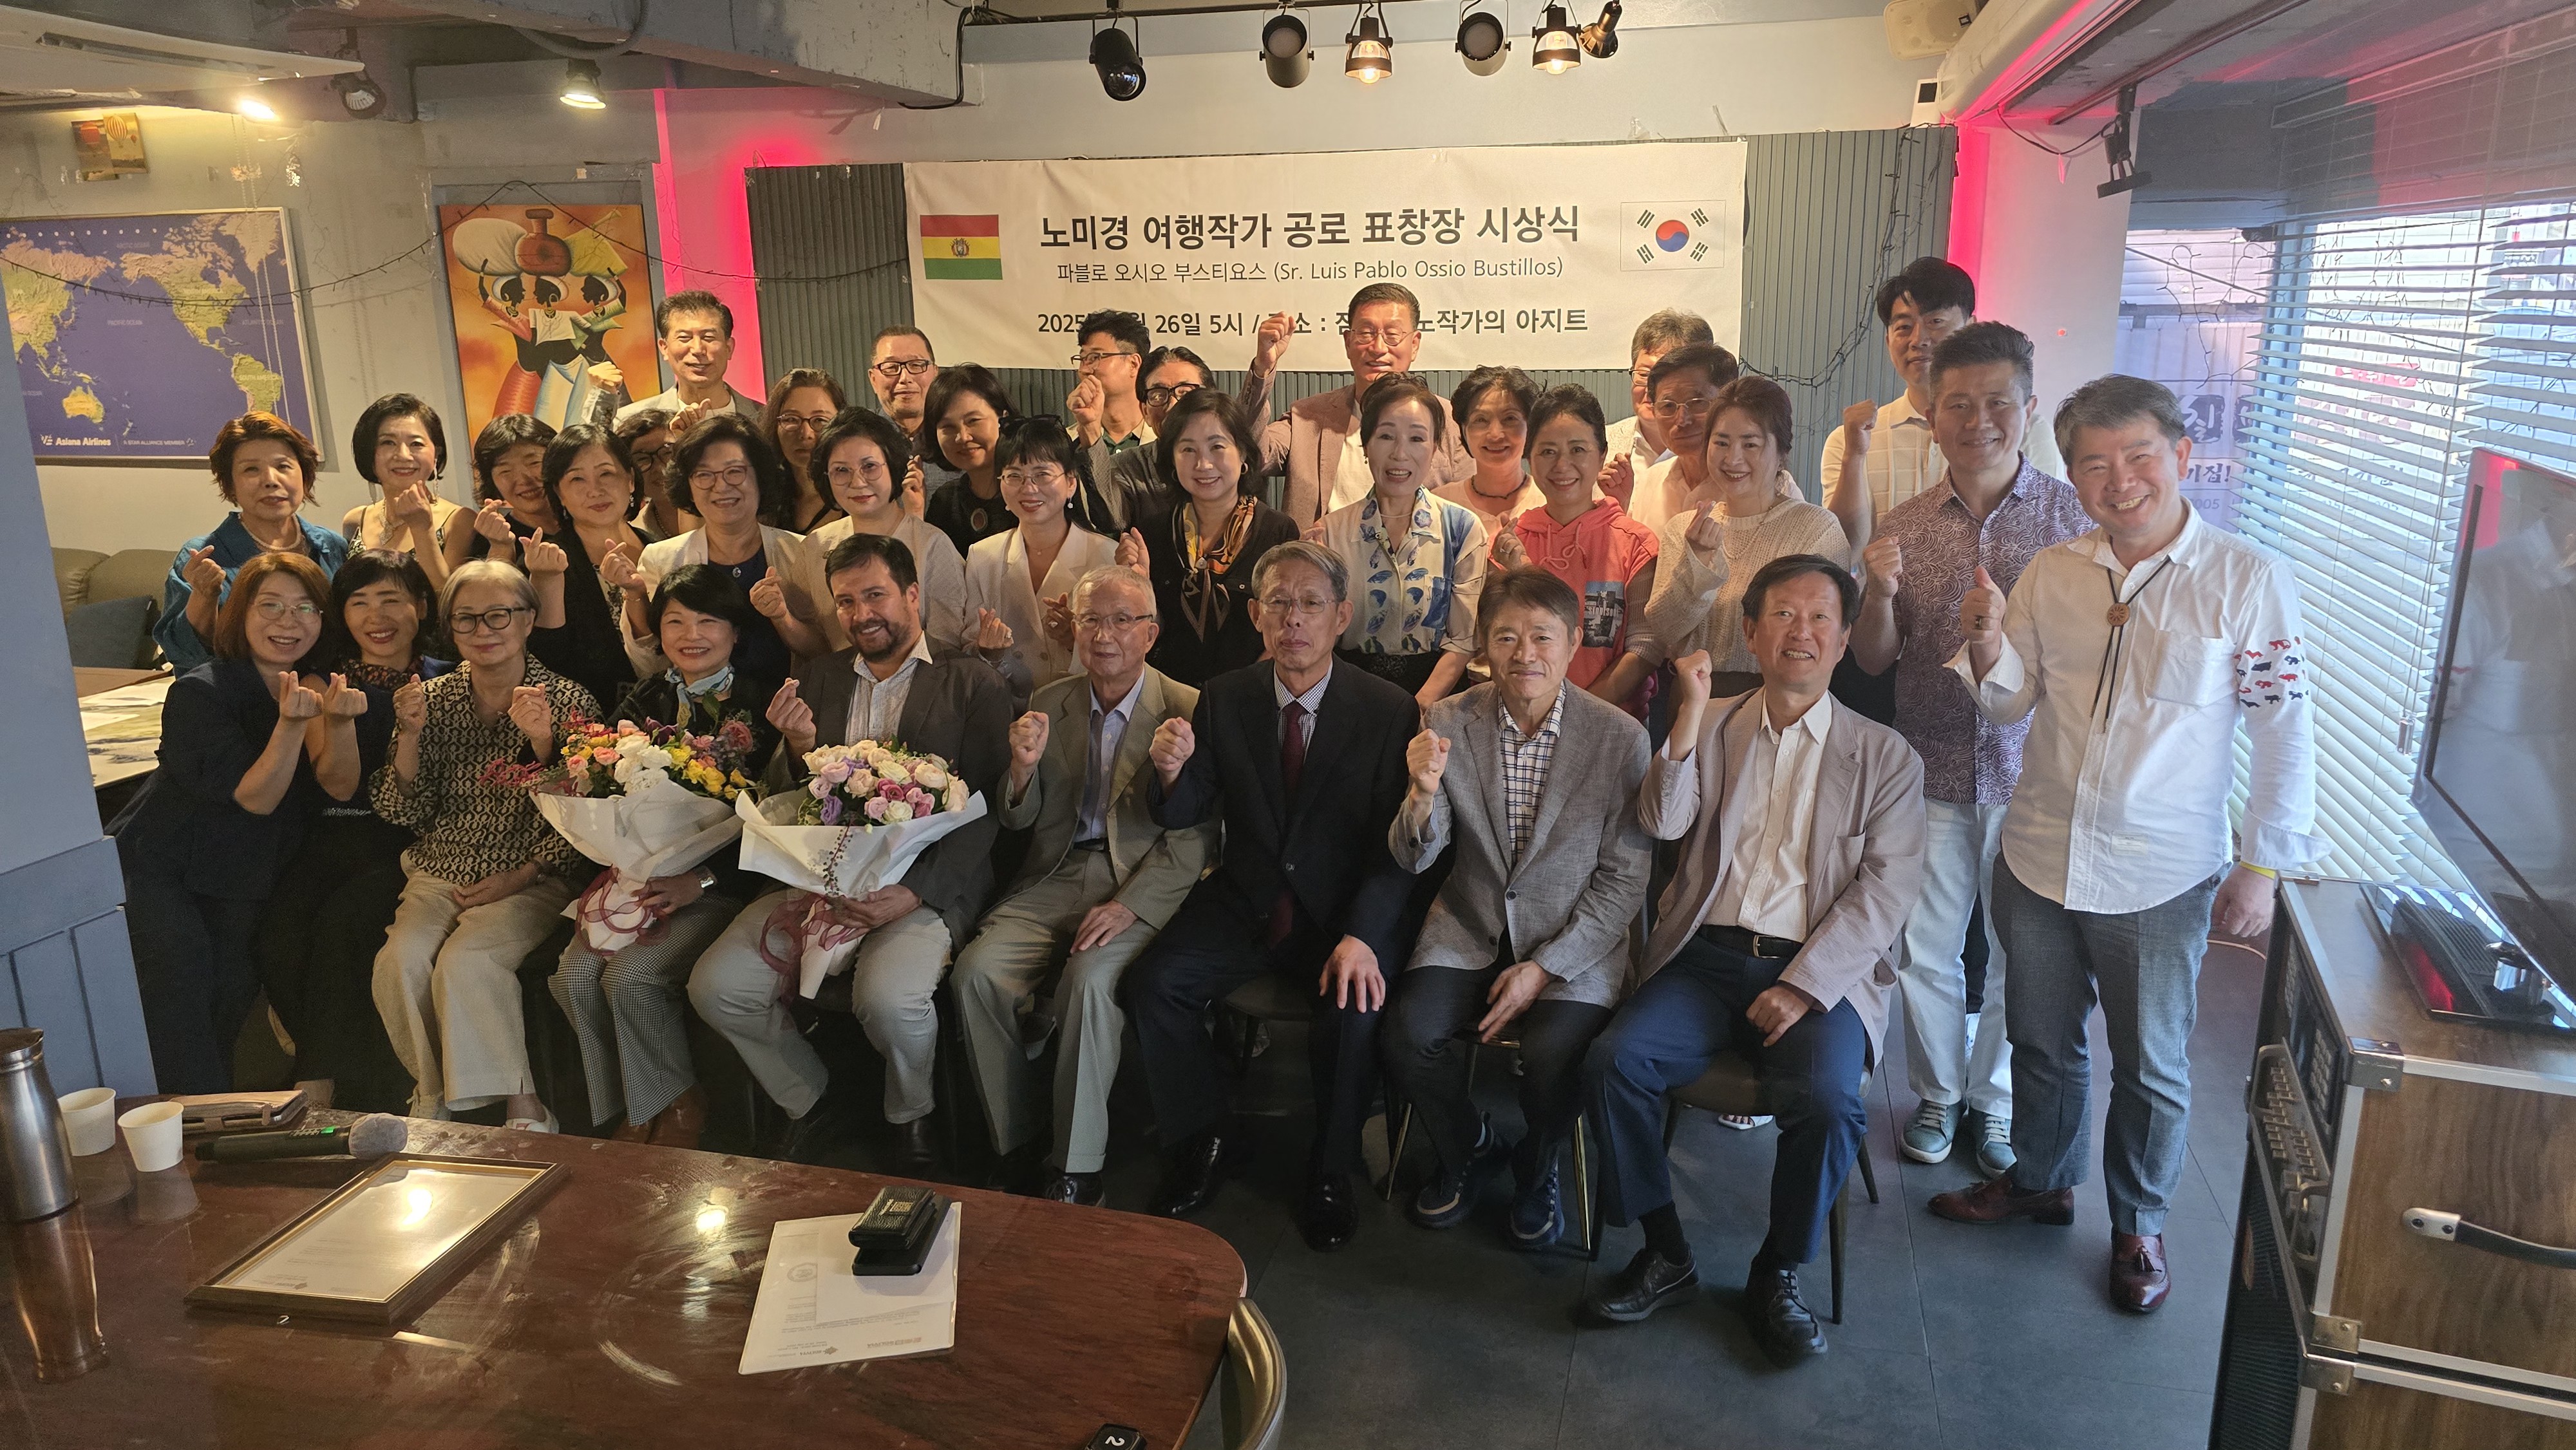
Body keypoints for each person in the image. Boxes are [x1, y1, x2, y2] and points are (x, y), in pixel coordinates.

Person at [1929, 375, 2322, 1314]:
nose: (2120, 481)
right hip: (2037, 852)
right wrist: (1984, 643)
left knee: (2151, 1063)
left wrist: (2261, 865)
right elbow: (2009, 703)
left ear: (2182, 456)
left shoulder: (2246, 578)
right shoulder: (2053, 572)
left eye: (2139, 456)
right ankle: (2040, 1180)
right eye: (2095, 465)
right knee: (2039, 1039)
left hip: (2161, 870)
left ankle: (2139, 1223)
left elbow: (2283, 730)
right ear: (2072, 475)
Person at [1581, 556, 1927, 1366]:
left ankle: (1777, 1270)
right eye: (1781, 614)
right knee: (1612, 1062)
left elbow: (1885, 892)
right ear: (1751, 629)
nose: (1799, 631)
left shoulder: (1884, 756)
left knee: (1830, 1101)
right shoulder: (1714, 720)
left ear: (1844, 637)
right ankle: (1666, 1250)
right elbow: (1661, 824)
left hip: (1818, 972)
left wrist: (1803, 986)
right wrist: (1685, 718)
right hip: (1705, 958)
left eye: (1819, 616)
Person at [1849, 322, 2090, 1178]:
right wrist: (1877, 594)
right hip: (1932, 764)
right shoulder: (1904, 525)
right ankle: (1938, 1094)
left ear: (2029, 408)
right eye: (1958, 404)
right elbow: (1873, 659)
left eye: (1997, 403)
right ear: (1933, 414)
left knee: (2021, 956)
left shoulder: (2073, 521)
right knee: (1927, 947)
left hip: (2037, 775)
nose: (1977, 421)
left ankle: (1996, 1101)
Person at [688, 534, 1012, 1170]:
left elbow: (991, 808)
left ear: (912, 594)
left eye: (875, 595)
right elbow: (790, 799)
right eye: (845, 601)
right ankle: (810, 1099)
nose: (862, 614)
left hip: (922, 883)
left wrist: (914, 894)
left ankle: (911, 1114)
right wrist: (795, 745)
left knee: (889, 1000)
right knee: (717, 986)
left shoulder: (971, 680)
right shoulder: (820, 676)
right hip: (820, 878)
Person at [1130, 541, 1417, 1251]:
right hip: (1247, 897)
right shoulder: (1226, 696)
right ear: (1256, 615)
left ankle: (1330, 1168)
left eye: (1311, 603)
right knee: (1153, 984)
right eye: (1279, 603)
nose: (1294, 619)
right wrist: (1169, 773)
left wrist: (1365, 934)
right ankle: (1204, 1136)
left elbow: (1399, 849)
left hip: (1340, 912)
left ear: (1341, 616)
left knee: (1354, 1009)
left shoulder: (1388, 710)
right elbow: (1187, 809)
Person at [1381, 569, 1653, 1248]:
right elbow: (1415, 858)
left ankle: (1538, 1163)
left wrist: (1546, 967)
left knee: (1556, 1052)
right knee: (1407, 1034)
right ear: (1483, 645)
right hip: (1470, 924)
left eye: (1542, 636)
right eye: (1506, 637)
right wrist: (1420, 796)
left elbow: (1624, 881)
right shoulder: (1448, 719)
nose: (1524, 653)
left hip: (1574, 938)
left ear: (1572, 643)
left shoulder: (1619, 737)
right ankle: (1467, 1142)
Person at [952, 567, 1216, 1205]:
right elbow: (1018, 820)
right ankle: (1016, 1136)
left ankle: (1076, 1164)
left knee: (1090, 982)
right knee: (975, 975)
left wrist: (1129, 905)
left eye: (1122, 620)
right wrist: (1020, 772)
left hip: (1139, 878)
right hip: (1056, 871)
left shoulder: (1189, 707)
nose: (1104, 635)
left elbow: (1199, 838)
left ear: (1150, 633)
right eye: (1091, 619)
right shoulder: (1052, 699)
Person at [551, 565, 782, 1150]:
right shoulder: (646, 696)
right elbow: (596, 779)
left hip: (721, 885)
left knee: (631, 978)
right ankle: (629, 1105)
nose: (691, 635)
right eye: (676, 621)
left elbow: (773, 817)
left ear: (735, 632)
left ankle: (678, 1101)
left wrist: (701, 881)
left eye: (708, 621)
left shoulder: (761, 705)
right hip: (640, 878)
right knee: (572, 977)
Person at [370, 560, 597, 1131]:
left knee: (467, 961)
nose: (483, 630)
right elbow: (403, 811)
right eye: (466, 618)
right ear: (450, 628)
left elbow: (588, 819)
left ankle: (524, 1104)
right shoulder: (431, 699)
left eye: (499, 615)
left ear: (528, 620)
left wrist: (544, 743)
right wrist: (410, 737)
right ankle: (432, 1096)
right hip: (440, 870)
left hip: (535, 873)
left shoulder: (568, 700)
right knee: (400, 961)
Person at [118, 554, 357, 1091]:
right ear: (240, 613)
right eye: (269, 606)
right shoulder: (201, 690)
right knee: (181, 993)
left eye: (305, 608)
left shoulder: (322, 687)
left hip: (249, 874)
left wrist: (333, 721)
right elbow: (257, 798)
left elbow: (338, 786)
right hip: (166, 868)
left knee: (230, 1001)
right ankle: (188, 1131)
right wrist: (291, 725)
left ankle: (216, 1121)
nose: (288, 621)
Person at [254, 550, 447, 1113]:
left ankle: (317, 1081)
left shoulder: (448, 678)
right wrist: (338, 719)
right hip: (336, 833)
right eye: (359, 602)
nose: (375, 616)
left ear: (420, 607)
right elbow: (337, 786)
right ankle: (330, 1068)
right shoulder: (322, 682)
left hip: (411, 841)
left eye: (391, 599)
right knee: (279, 934)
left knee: (344, 926)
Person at [1822, 257, 2067, 553]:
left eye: (1935, 322)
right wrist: (1854, 456)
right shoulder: (1850, 440)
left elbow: (2048, 534)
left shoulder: (2024, 431)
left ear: (1969, 327)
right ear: (1888, 341)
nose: (1918, 340)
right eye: (1904, 327)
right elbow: (1843, 553)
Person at [1638, 376, 1850, 698]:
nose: (1732, 459)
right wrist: (1698, 566)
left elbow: (1826, 636)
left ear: (1781, 452)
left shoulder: (1816, 529)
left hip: (1779, 698)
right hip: (1692, 699)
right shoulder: (1684, 529)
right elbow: (1665, 629)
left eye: (1750, 444)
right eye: (1721, 443)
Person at [1307, 375, 1489, 709]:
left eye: (1417, 438)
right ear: (1366, 445)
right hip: (1350, 695)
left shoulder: (1463, 530)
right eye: (1386, 436)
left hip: (1438, 699)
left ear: (1434, 448)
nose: (1400, 453)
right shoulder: (1329, 533)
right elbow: (1319, 635)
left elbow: (1463, 641)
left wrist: (1417, 709)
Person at [618, 413, 820, 684]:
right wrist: (635, 597)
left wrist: (783, 618)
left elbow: (825, 652)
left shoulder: (801, 552)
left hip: (791, 704)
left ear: (760, 478)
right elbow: (649, 665)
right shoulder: (662, 560)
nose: (721, 486)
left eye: (735, 472)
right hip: (695, 711)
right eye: (704, 475)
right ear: (688, 486)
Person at [1249, 284, 1471, 525]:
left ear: (1414, 344)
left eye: (1392, 335)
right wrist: (1263, 368)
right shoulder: (1308, 416)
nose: (1378, 348)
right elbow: (1253, 455)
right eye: (1366, 333)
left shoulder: (1451, 421)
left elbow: (1468, 507)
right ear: (1348, 342)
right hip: (1319, 548)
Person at [158, 412, 352, 672]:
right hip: (238, 693)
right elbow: (182, 655)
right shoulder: (203, 556)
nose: (270, 480)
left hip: (326, 690)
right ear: (230, 485)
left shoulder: (332, 547)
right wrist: (204, 597)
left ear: (305, 476)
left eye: (283, 466)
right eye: (251, 469)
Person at [1133, 388, 1301, 686]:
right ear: (1172, 460)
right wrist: (1136, 586)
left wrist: (1240, 695)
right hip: (1165, 696)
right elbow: (1146, 631)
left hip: (1251, 693)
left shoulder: (1278, 532)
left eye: (1217, 447)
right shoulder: (1151, 534)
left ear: (1243, 453)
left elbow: (1286, 627)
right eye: (1188, 450)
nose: (1203, 464)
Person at [1511, 386, 1663, 713]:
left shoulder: (1636, 544)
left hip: (1613, 724)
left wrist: (1575, 714)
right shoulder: (1512, 544)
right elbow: (1498, 644)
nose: (1562, 465)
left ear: (1602, 455)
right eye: (1547, 451)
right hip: (1524, 721)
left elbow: (1644, 647)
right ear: (1529, 458)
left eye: (1578, 449)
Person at [962, 419, 1122, 698]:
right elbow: (968, 647)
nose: (1028, 488)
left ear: (1070, 483)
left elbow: (1125, 651)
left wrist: (1075, 640)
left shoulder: (1107, 556)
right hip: (1007, 708)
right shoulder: (983, 557)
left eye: (1042, 475)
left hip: (1083, 705)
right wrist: (989, 651)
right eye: (1014, 476)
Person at [793, 408, 969, 654]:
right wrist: (781, 616)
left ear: (894, 466)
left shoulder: (931, 545)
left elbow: (947, 646)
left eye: (870, 466)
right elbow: (814, 647)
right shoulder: (815, 546)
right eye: (841, 470)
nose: (857, 482)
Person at [524, 422, 659, 713]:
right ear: (559, 493)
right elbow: (548, 660)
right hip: (593, 723)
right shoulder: (549, 562)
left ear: (630, 480)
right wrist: (545, 580)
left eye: (606, 474)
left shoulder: (662, 550)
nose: (595, 490)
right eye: (577, 479)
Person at [339, 393, 460, 590]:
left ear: (436, 453)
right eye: (388, 443)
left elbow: (449, 599)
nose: (403, 455)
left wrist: (422, 529)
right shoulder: (355, 521)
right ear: (369, 452)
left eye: (416, 444)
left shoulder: (458, 520)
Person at [1435, 366, 1542, 569]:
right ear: (1463, 430)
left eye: (1510, 419)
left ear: (1531, 427)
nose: (1495, 434)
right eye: (1481, 420)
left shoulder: (1551, 502)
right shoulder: (1439, 505)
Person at [612, 290, 761, 432]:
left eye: (708, 337)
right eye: (684, 338)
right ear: (664, 348)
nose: (698, 349)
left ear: (729, 348)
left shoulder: (765, 419)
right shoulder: (629, 422)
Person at [1603, 310, 1717, 483]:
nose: (1652, 390)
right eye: (1644, 374)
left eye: (1666, 377)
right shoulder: (1598, 445)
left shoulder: (1720, 453)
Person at [920, 364, 1019, 558]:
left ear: (1004, 418)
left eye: (973, 421)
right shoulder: (945, 502)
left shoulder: (1029, 490)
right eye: (948, 427)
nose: (963, 437)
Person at [444, 414, 559, 572]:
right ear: (491, 481)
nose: (523, 480)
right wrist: (501, 548)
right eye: (505, 471)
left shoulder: (584, 519)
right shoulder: (490, 539)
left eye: (534, 463)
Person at [1068, 310, 1154, 482]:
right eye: (1082, 359)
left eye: (1095, 357)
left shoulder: (1166, 439)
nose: (1084, 369)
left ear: (1133, 364)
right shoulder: (1067, 442)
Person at [761, 367, 849, 532]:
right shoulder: (761, 500)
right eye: (791, 419)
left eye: (820, 420)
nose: (806, 434)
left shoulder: (859, 494)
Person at [866, 325, 941, 511]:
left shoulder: (959, 439)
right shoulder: (856, 439)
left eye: (916, 365)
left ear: (935, 373)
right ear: (873, 379)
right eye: (891, 367)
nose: (905, 378)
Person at [615, 406, 690, 538]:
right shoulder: (635, 534)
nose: (659, 468)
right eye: (642, 459)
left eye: (667, 453)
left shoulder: (721, 508)